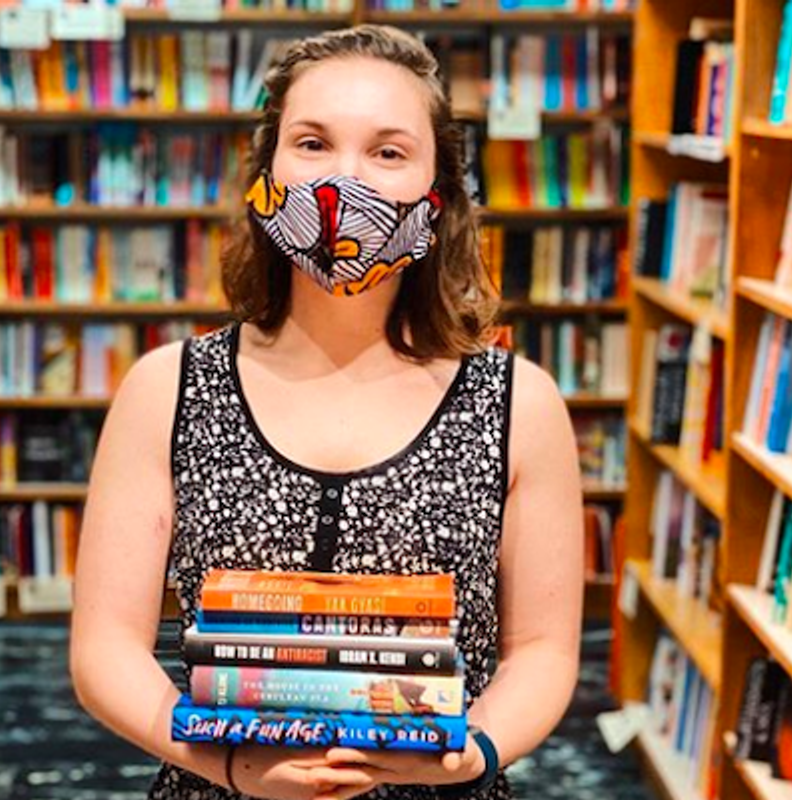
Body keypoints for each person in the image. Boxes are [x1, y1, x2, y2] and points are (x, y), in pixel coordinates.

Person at [70, 24, 584, 800]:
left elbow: (542, 649)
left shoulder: (521, 404)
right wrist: (234, 769)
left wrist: (470, 753)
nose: (346, 181)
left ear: (436, 194)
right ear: (266, 170)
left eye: (388, 152)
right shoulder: (164, 389)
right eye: (312, 143)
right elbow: (105, 646)